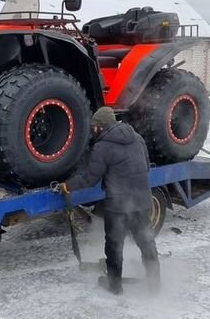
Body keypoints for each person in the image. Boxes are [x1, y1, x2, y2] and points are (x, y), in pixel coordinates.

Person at [59, 106, 159, 294]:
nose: (93, 130)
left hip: (118, 206)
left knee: (114, 245)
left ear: (101, 127)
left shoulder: (102, 146)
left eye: (95, 127)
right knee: (146, 242)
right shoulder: (137, 138)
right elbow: (146, 166)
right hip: (143, 200)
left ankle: (114, 286)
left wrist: (68, 186)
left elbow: (90, 178)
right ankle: (155, 285)